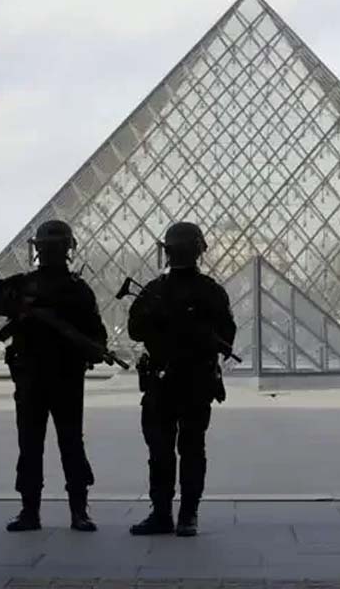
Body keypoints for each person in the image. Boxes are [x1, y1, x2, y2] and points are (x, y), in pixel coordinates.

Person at [0, 220, 106, 533]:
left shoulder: (34, 285)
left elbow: (96, 341)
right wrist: (23, 308)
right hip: (53, 376)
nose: (50, 253)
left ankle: (34, 511)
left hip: (43, 375)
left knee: (37, 445)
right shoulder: (66, 289)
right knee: (63, 444)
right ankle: (73, 511)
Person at [127, 222, 236, 537]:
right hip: (195, 380)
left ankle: (162, 514)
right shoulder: (212, 291)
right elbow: (227, 337)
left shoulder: (153, 290)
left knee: (160, 451)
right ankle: (188, 515)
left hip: (165, 381)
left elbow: (135, 330)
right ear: (199, 249)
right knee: (192, 449)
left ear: (167, 251)